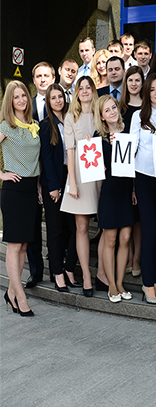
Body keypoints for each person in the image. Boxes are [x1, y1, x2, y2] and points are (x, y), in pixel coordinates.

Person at [1, 81, 41, 317]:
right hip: (14, 191)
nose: (21, 100)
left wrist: (38, 186)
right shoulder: (6, 126)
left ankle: (11, 292)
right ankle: (21, 297)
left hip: (30, 190)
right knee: (15, 246)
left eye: (24, 95)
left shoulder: (33, 125)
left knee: (24, 245)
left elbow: (36, 161)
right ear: (10, 101)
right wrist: (1, 174)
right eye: (16, 97)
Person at [130, 73, 156, 304]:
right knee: (150, 228)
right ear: (147, 92)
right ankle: (147, 284)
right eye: (152, 89)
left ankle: (154, 281)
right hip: (144, 177)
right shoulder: (138, 116)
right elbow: (132, 148)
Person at [60, 76, 101, 297]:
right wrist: (72, 183)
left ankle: (103, 273)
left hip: (100, 176)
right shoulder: (70, 117)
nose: (84, 91)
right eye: (80, 88)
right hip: (80, 178)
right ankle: (86, 275)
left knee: (106, 228)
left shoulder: (100, 113)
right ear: (76, 92)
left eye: (88, 87)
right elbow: (70, 152)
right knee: (82, 228)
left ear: (93, 90)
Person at [39, 84, 79, 293]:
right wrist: (54, 186)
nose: (58, 100)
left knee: (73, 228)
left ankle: (69, 268)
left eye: (60, 96)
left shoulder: (72, 121)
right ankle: (57, 273)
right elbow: (46, 158)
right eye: (53, 97)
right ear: (48, 101)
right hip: (53, 181)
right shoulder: (45, 125)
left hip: (71, 177)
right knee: (55, 229)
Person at [94, 96, 134, 303]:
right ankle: (110, 285)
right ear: (101, 116)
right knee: (110, 240)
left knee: (125, 238)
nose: (112, 112)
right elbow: (94, 167)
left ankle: (119, 283)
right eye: (107, 110)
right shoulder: (98, 137)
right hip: (109, 191)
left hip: (127, 190)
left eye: (113, 107)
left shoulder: (129, 131)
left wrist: (134, 189)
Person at [27, 61, 56, 287]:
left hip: (56, 174)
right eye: (39, 76)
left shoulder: (62, 104)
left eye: (47, 75)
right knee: (33, 226)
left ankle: (58, 269)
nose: (43, 79)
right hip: (32, 173)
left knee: (58, 226)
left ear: (54, 78)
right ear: (34, 80)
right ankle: (36, 272)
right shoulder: (26, 106)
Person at [119, 66, 144, 277]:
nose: (134, 84)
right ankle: (126, 256)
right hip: (122, 167)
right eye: (130, 80)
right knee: (126, 214)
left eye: (137, 80)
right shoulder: (119, 108)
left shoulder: (147, 108)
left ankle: (136, 258)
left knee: (138, 218)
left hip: (141, 167)